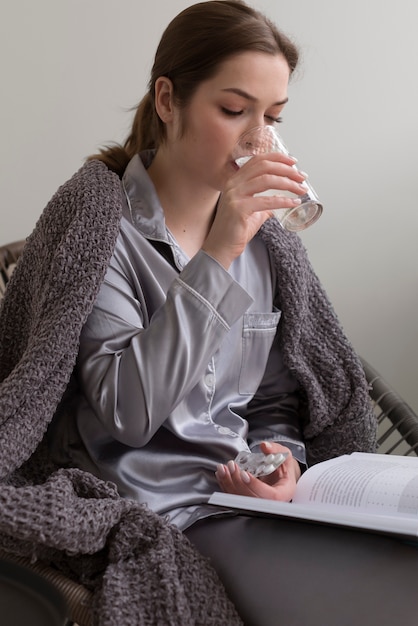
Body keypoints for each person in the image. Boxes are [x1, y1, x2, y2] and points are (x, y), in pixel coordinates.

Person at [0, 1, 377, 624]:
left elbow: (276, 404)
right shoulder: (99, 230)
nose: (258, 139)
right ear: (168, 100)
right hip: (155, 510)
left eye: (273, 117)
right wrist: (221, 250)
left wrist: (283, 461)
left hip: (249, 507)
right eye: (234, 111)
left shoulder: (271, 247)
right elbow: (128, 412)